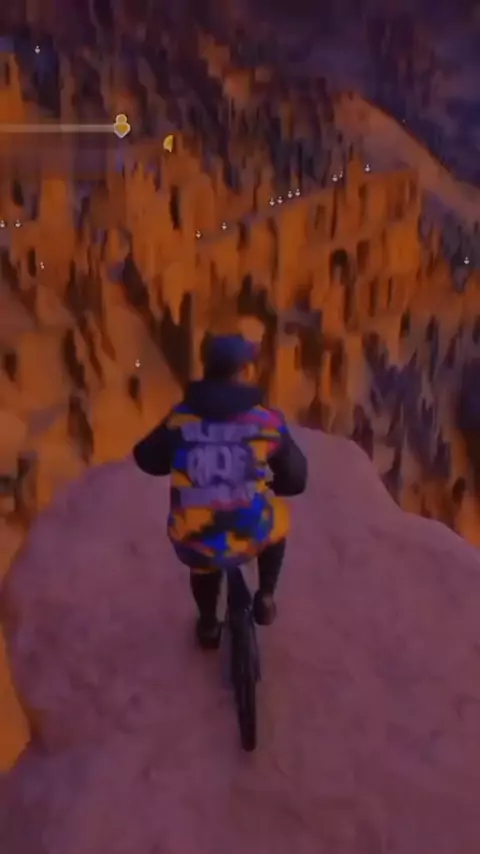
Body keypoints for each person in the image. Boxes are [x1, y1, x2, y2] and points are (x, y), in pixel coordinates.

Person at [133, 333, 308, 649]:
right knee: (278, 520)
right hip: (252, 530)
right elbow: (297, 479)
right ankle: (266, 596)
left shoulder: (180, 417)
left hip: (194, 538)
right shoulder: (266, 421)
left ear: (206, 369)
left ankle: (208, 624)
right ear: (245, 371)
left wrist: (178, 460)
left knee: (202, 559)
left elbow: (146, 458)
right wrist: (276, 485)